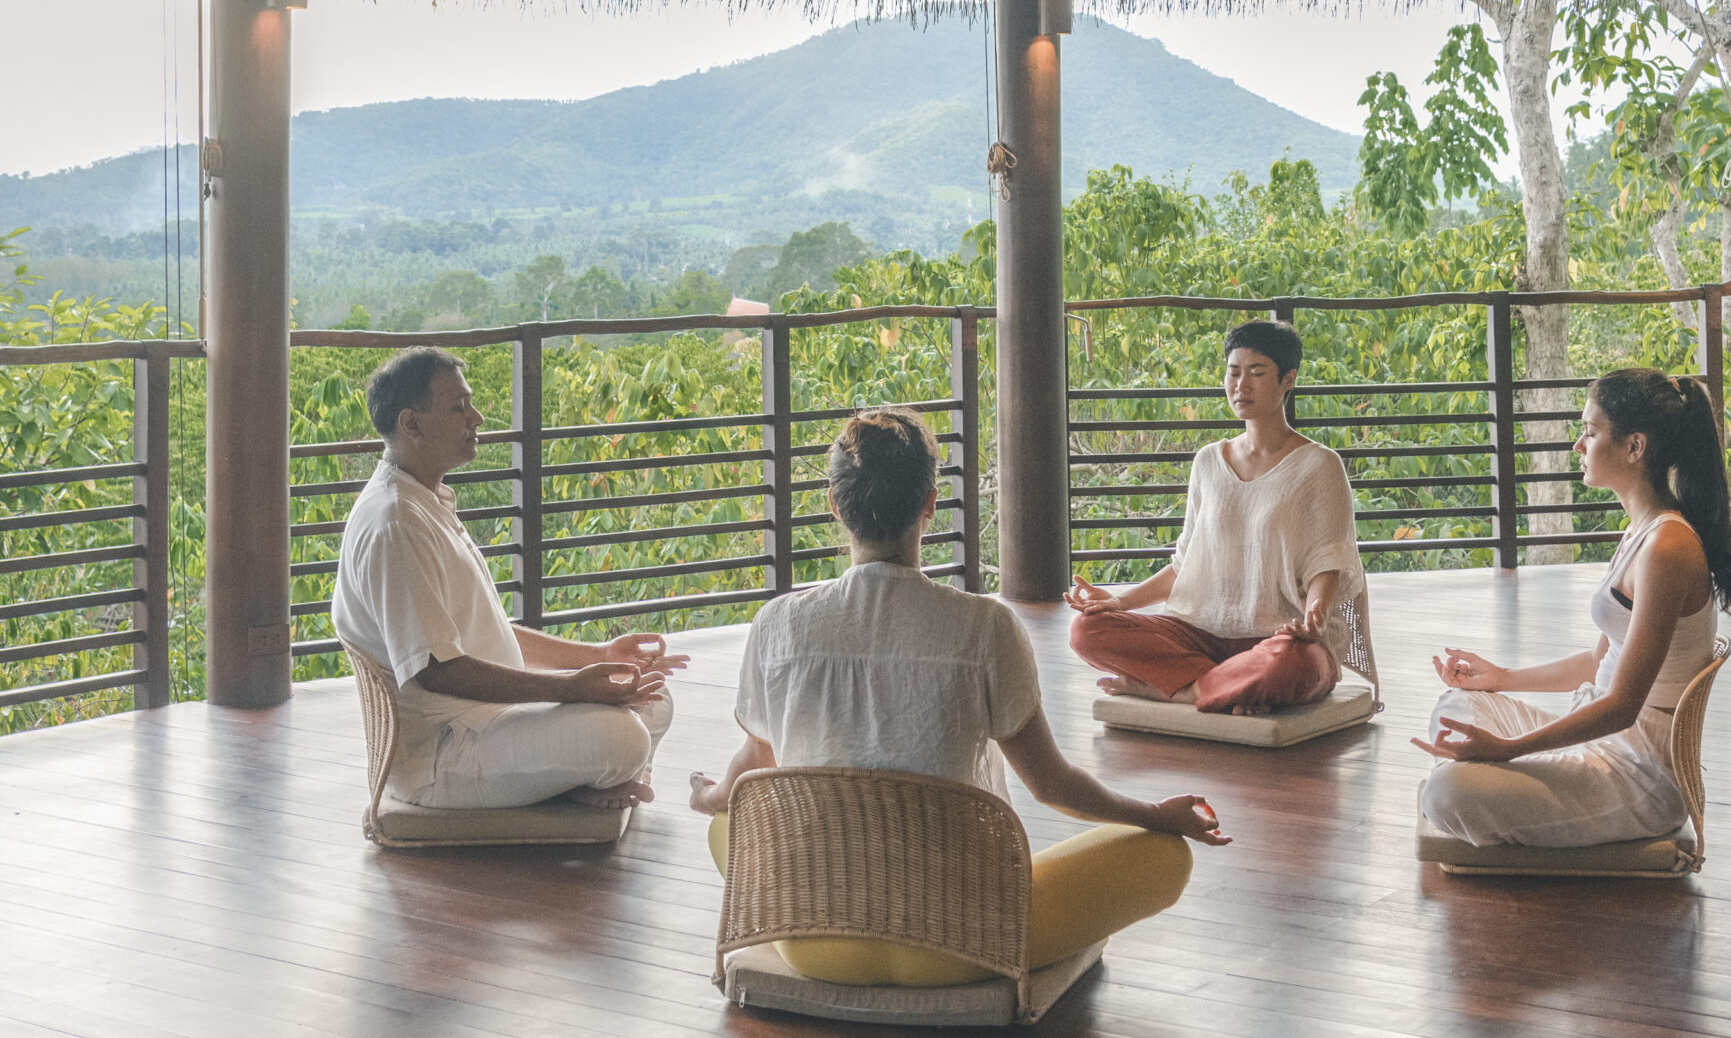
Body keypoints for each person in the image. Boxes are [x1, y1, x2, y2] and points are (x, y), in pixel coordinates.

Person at [691, 406, 1226, 985]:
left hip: (814, 937)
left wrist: (709, 795)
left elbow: (752, 769)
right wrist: (1156, 815)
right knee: (1165, 854)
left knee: (726, 823)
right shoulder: (984, 627)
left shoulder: (777, 624)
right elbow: (1052, 785)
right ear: (929, 503)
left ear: (835, 507)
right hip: (964, 944)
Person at [331, 346, 684, 811]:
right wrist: (570, 687)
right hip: (443, 754)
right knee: (622, 736)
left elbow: (483, 633)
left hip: (489, 721)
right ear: (410, 424)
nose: (476, 417)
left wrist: (596, 657)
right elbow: (437, 670)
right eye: (458, 407)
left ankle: (581, 782)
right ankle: (585, 781)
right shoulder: (396, 522)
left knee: (651, 700)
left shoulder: (425, 501)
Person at [1416, 367, 1731, 847]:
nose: (1578, 446)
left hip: (1637, 775)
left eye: (1590, 433)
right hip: (1601, 740)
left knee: (1446, 791)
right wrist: (1503, 678)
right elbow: (1600, 663)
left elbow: (1622, 707)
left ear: (1635, 447)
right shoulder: (1642, 530)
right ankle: (1498, 790)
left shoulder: (1668, 548)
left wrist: (1508, 750)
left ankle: (1489, 791)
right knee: (1459, 704)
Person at [1066, 318, 1374, 716]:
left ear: (1288, 380)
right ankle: (1224, 686)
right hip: (1199, 635)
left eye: (1257, 373)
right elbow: (1184, 565)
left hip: (1278, 638)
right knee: (1086, 631)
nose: (1240, 385)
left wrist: (1314, 618)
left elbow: (1327, 563)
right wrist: (1119, 601)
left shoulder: (1319, 466)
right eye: (1233, 372)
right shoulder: (1209, 461)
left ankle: (1177, 689)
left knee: (1295, 665)